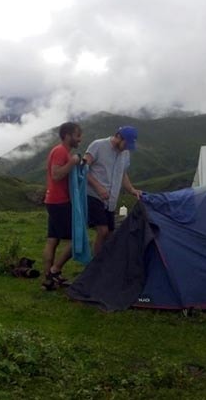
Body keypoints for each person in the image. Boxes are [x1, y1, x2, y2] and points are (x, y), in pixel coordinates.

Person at [84, 125, 141, 256]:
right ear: (118, 137)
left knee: (110, 233)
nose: (126, 148)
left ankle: (106, 261)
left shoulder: (125, 153)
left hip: (110, 199)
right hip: (93, 195)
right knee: (102, 231)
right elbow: (83, 169)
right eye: (126, 144)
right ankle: (96, 265)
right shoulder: (98, 145)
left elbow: (123, 173)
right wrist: (98, 187)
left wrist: (132, 190)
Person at [41, 121, 83, 290]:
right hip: (59, 202)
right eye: (77, 135)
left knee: (53, 240)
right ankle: (54, 271)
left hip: (53, 201)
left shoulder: (62, 151)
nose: (80, 139)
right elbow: (56, 174)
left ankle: (48, 281)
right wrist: (72, 162)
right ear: (67, 136)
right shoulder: (60, 151)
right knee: (77, 239)